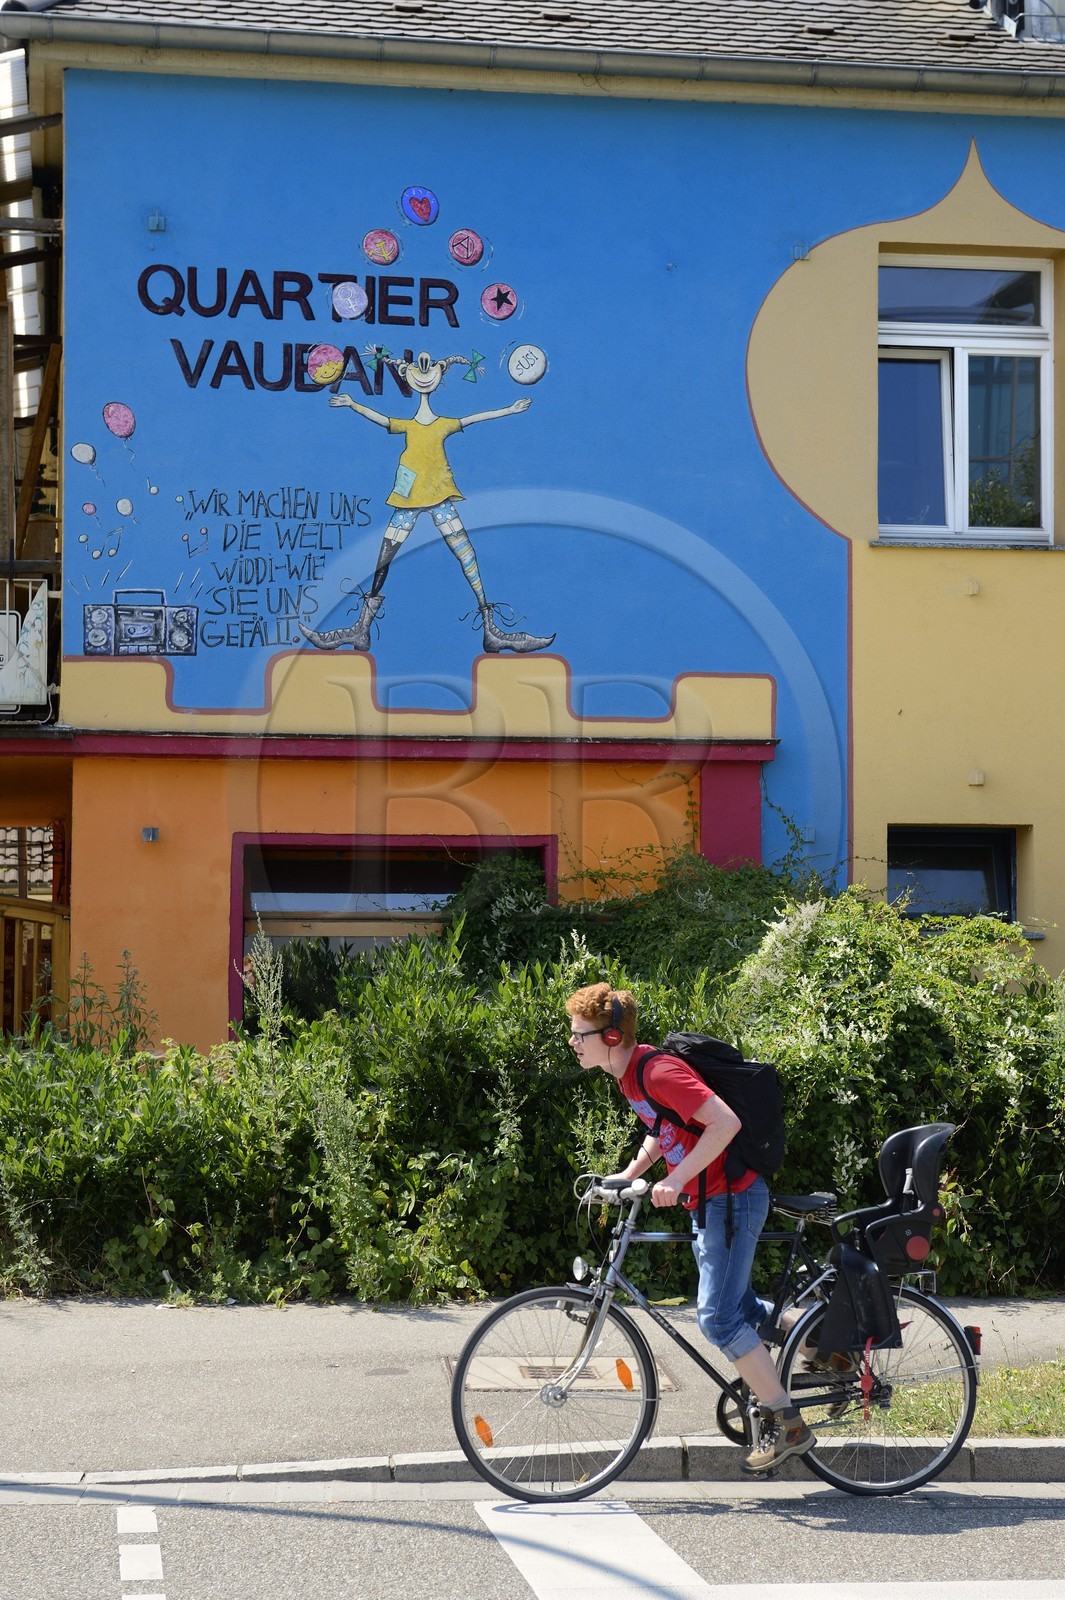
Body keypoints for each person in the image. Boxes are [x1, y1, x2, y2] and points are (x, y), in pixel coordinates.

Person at [565, 981, 815, 1474]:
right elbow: (664, 1128)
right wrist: (630, 1175)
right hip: (713, 1201)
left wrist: (675, 1179)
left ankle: (788, 1424)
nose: (573, 1043)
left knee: (718, 1319)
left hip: (734, 1197)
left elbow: (724, 1123)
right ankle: (825, 1343)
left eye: (580, 1035)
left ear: (611, 1038)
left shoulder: (657, 1071)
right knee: (739, 1307)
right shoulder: (629, 1077)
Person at [299, 350, 555, 655]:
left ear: (439, 377)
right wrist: (353, 404)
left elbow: (474, 418)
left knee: (465, 554)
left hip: (438, 495)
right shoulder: (409, 425)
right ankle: (361, 630)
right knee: (386, 555)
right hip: (409, 496)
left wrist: (509, 410)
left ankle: (491, 630)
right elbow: (382, 420)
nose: (424, 372)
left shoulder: (442, 424)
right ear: (408, 376)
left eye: (433, 368)